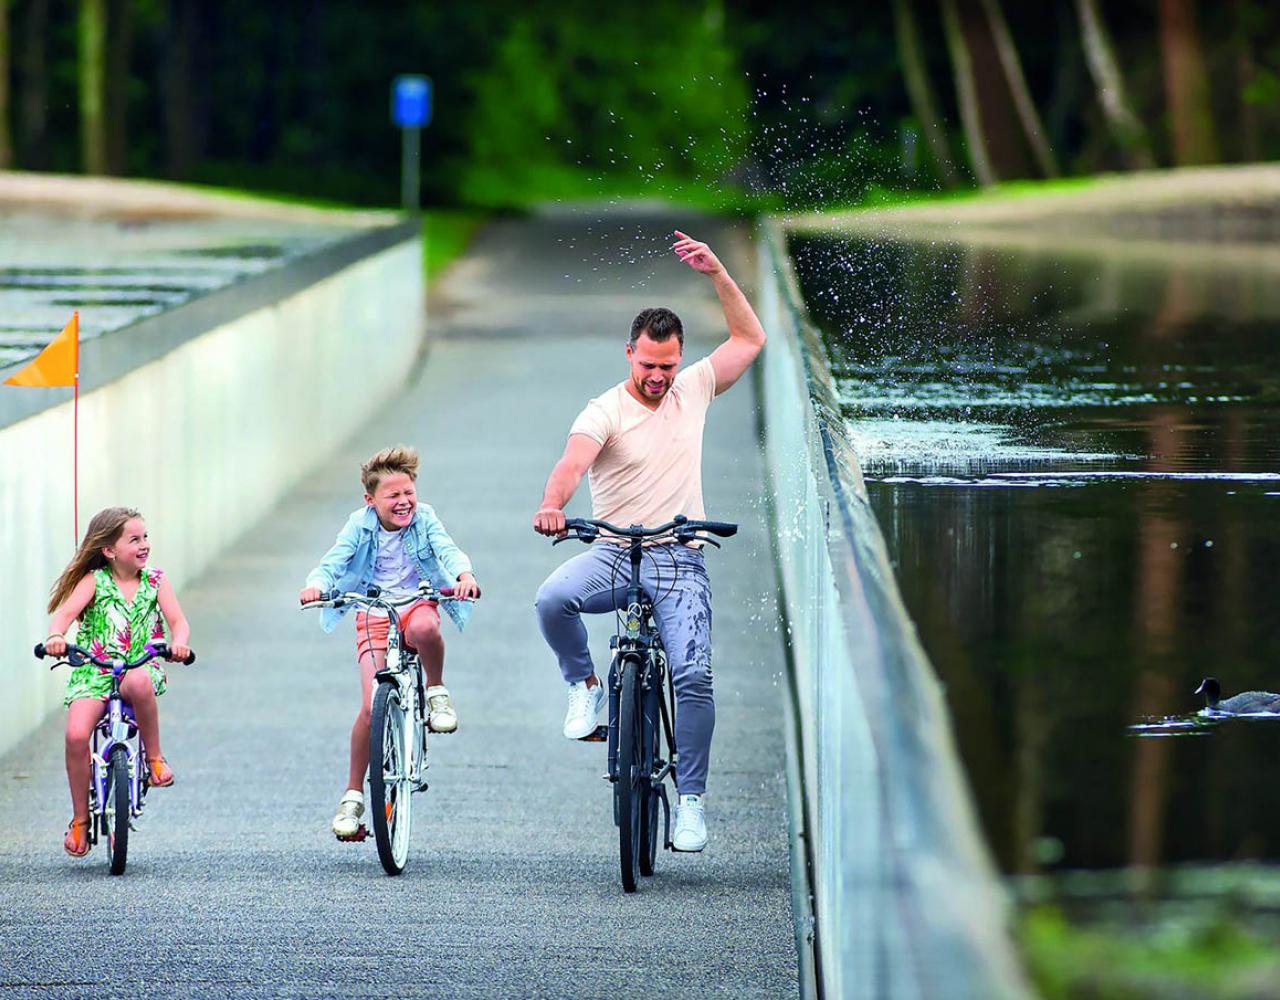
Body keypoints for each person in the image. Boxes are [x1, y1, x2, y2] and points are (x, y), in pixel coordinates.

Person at [533, 230, 766, 852]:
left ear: (679, 357)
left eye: (668, 365)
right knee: (551, 600)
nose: (659, 377)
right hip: (613, 552)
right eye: (647, 365)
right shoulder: (603, 410)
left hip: (679, 559)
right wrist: (554, 506)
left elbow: (750, 340)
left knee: (693, 675)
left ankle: (690, 801)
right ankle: (584, 689)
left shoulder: (694, 388)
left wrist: (717, 272)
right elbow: (572, 463)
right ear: (628, 354)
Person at [300, 445, 480, 840]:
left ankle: (435, 690)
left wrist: (463, 576)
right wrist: (317, 585)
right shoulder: (358, 524)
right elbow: (335, 560)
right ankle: (352, 795)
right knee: (369, 707)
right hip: (373, 612)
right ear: (370, 500)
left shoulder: (425, 518)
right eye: (392, 496)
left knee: (426, 630)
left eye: (408, 493)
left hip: (417, 603)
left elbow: (448, 551)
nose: (404, 502)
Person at [44, 506, 192, 858]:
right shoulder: (94, 581)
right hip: (95, 669)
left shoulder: (156, 581)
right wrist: (56, 637)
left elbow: (178, 621)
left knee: (139, 683)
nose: (144, 545)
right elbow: (63, 616)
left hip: (137, 664)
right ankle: (81, 818)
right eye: (134, 539)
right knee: (77, 735)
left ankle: (154, 757)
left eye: (145, 537)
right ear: (108, 550)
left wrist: (179, 643)